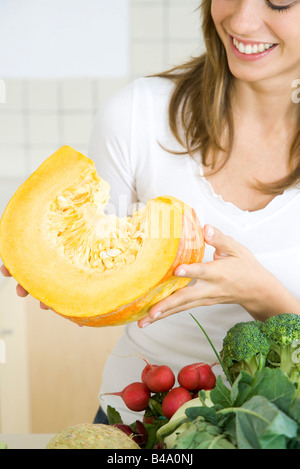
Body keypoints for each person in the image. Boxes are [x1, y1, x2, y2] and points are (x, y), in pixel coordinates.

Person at [1, 0, 300, 424]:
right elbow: (99, 257)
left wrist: (263, 295)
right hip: (137, 419)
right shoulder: (137, 115)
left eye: (280, 1)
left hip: (273, 430)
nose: (241, 19)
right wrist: (55, 268)